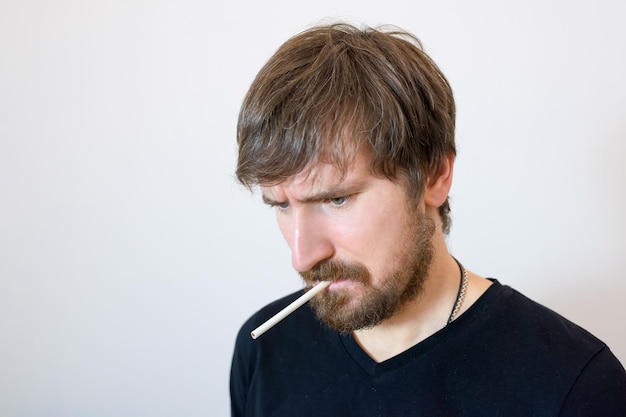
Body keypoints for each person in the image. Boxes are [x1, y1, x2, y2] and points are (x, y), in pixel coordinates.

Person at [229, 22, 626, 416]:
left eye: (337, 199)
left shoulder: (574, 384)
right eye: (280, 205)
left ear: (434, 175)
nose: (302, 257)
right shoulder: (265, 349)